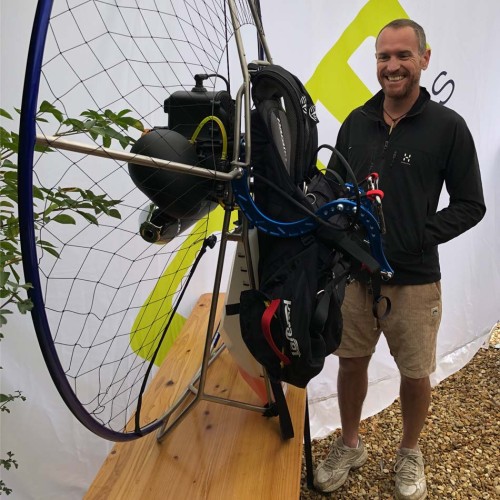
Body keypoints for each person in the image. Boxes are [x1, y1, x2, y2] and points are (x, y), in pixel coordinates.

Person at [313, 19, 486, 500]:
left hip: (414, 280)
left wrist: (417, 237)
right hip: (354, 274)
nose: (392, 66)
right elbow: (336, 185)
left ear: (424, 59)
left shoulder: (448, 127)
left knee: (415, 372)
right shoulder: (356, 121)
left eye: (403, 56)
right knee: (351, 362)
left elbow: (471, 204)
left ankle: (410, 451)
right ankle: (350, 444)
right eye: (384, 57)